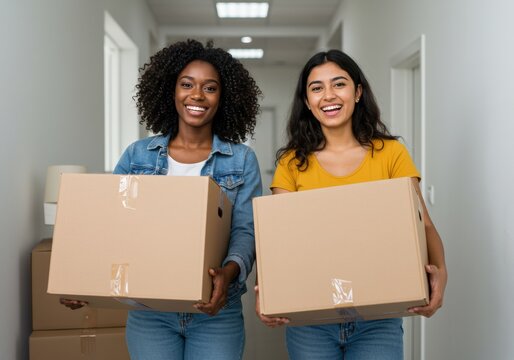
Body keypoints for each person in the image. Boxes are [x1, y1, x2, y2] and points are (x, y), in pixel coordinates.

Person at [62, 39, 262, 360]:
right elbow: (110, 223)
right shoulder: (138, 154)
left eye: (209, 88)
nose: (197, 95)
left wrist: (229, 272)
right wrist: (84, 278)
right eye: (187, 85)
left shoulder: (241, 160)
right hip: (150, 311)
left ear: (222, 98)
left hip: (214, 311)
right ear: (171, 91)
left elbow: (245, 231)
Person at [255, 49, 447, 359]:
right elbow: (281, 242)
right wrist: (269, 292)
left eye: (339, 84)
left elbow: (422, 225)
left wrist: (441, 275)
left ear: (357, 92)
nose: (328, 95)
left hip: (378, 318)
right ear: (307, 101)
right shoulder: (292, 163)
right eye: (316, 88)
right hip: (310, 318)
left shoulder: (390, 154)